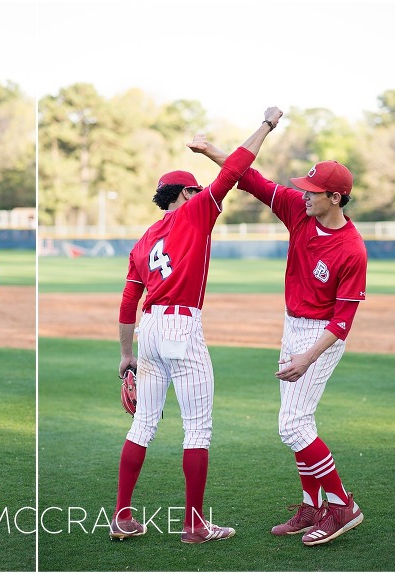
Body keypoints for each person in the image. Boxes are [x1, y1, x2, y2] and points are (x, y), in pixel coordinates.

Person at [110, 107, 283, 544]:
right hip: (181, 329)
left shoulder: (144, 239)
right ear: (185, 193)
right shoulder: (197, 211)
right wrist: (265, 125)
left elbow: (129, 301)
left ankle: (122, 516)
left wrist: (126, 355)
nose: (203, 192)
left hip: (148, 331)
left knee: (143, 424)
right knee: (197, 428)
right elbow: (238, 168)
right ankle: (193, 525)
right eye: (196, 189)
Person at [190, 137, 367, 546]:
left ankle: (341, 505)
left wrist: (306, 357)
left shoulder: (352, 249)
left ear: (336, 198)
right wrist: (211, 150)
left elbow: (343, 322)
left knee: (292, 425)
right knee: (298, 420)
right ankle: (311, 505)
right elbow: (249, 179)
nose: (303, 196)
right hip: (293, 325)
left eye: (314, 192)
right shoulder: (297, 209)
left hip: (321, 336)